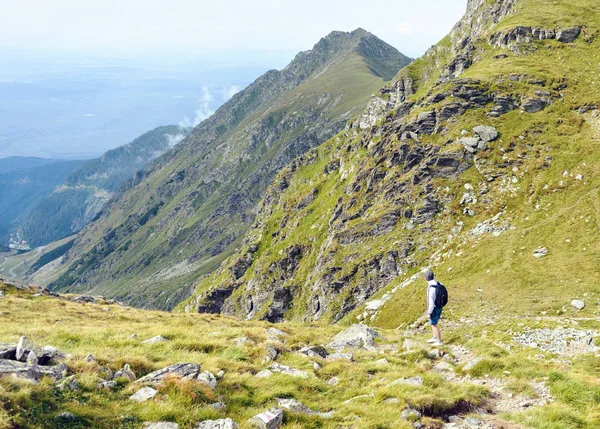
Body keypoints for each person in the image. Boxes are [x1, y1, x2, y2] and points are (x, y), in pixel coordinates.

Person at [424, 270, 443, 346]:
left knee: (434, 324)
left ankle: (439, 341)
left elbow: (431, 301)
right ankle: (434, 337)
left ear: (426, 278)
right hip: (440, 306)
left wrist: (429, 312)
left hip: (434, 308)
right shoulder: (438, 283)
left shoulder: (430, 287)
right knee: (433, 322)